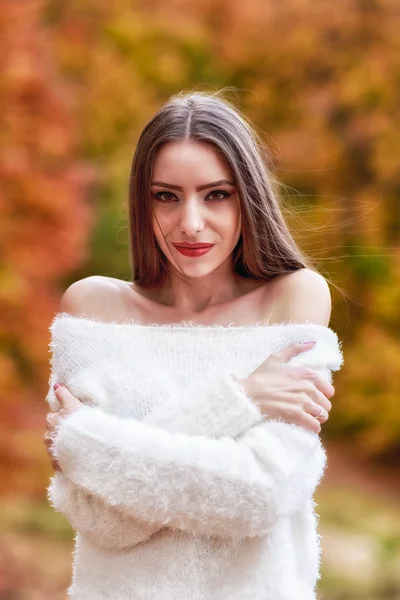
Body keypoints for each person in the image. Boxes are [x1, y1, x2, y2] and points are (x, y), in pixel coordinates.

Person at [43, 90, 343, 600]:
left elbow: (259, 495)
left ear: (247, 196)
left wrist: (91, 444)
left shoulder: (293, 298)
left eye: (216, 194)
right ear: (143, 201)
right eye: (166, 195)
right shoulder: (93, 308)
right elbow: (97, 518)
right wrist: (240, 400)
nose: (190, 223)